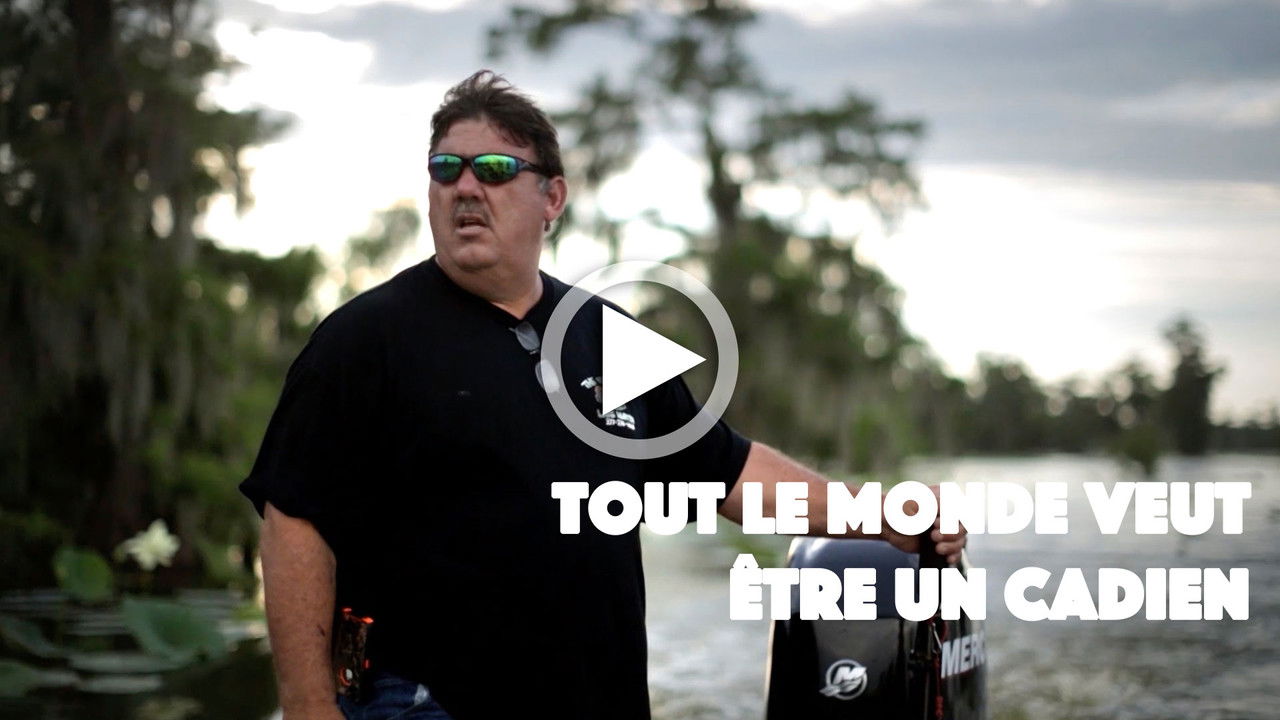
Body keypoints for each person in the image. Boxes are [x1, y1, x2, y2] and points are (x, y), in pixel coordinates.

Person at [241, 70, 966, 720]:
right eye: (446, 168)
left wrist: (880, 516)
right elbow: (294, 518)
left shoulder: (608, 336)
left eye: (495, 169)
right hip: (425, 701)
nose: (466, 187)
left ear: (551, 197)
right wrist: (308, 706)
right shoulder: (366, 339)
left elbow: (730, 473)